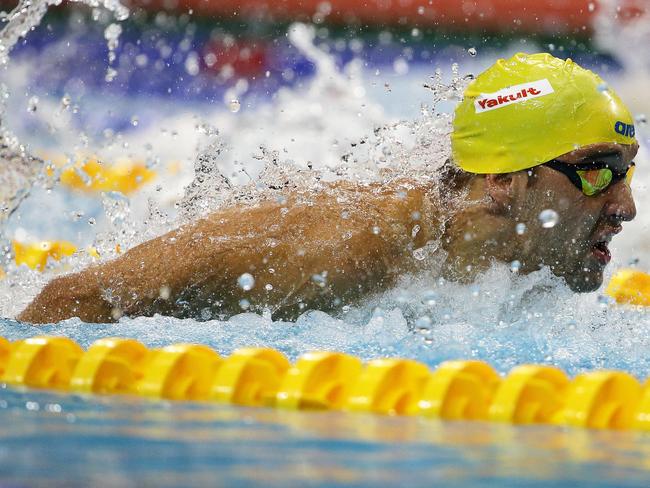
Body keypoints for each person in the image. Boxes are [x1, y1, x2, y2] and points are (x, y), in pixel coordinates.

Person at [18, 52, 639, 324]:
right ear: (502, 179)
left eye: (630, 170)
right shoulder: (339, 250)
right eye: (598, 170)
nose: (627, 205)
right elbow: (75, 297)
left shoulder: (520, 265)